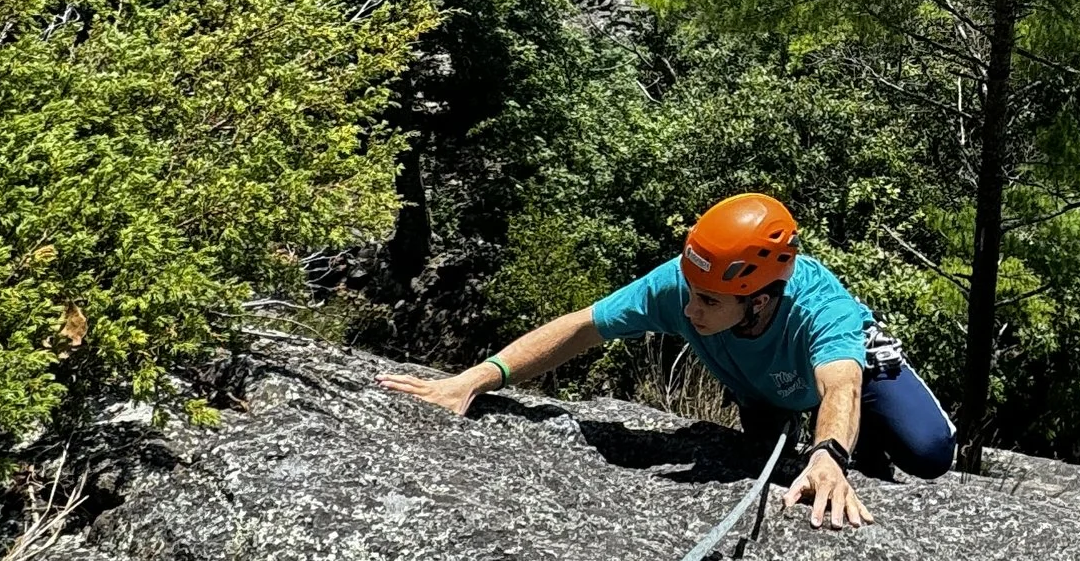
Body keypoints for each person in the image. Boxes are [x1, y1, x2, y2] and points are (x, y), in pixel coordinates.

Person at [379, 193, 956, 528]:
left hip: (857, 376)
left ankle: (869, 441)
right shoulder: (680, 288)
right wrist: (476, 379)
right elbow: (581, 328)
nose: (690, 310)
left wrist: (830, 454)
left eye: (709, 301)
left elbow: (840, 386)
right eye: (690, 290)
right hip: (768, 389)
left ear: (760, 298)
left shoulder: (818, 308)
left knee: (929, 451)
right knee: (758, 456)